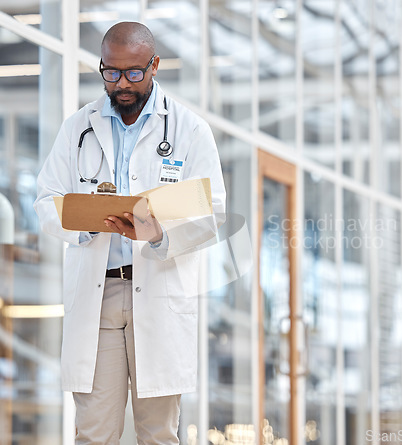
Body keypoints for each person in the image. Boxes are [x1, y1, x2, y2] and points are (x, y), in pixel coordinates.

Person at [34, 21, 226, 444]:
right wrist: (86, 225)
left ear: (155, 65)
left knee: (157, 432)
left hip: (158, 289)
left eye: (134, 73)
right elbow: (45, 201)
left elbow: (211, 215)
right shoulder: (77, 128)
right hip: (98, 295)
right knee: (94, 431)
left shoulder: (189, 130)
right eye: (111, 72)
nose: (121, 84)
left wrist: (158, 235)